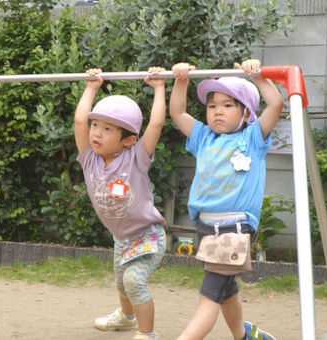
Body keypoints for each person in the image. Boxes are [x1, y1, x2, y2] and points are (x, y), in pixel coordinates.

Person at [169, 59, 283, 340]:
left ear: (246, 114)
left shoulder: (252, 138)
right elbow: (177, 113)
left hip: (234, 228)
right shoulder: (204, 137)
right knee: (226, 290)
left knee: (210, 296)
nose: (217, 111)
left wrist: (257, 76)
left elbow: (276, 105)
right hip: (206, 228)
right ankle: (244, 337)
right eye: (212, 105)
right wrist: (181, 81)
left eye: (228, 105)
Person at [74, 66, 167, 340]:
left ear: (129, 140)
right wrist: (91, 88)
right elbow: (79, 122)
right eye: (95, 126)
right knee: (122, 284)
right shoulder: (89, 159)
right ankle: (126, 318)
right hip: (121, 238)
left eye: (107, 129)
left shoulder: (135, 158)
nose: (96, 134)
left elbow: (157, 125)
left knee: (133, 281)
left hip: (147, 234)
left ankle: (147, 333)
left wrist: (160, 89)